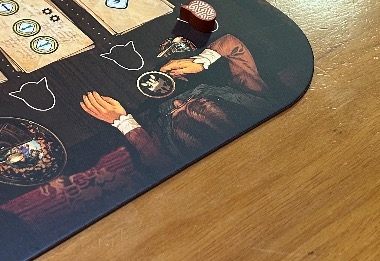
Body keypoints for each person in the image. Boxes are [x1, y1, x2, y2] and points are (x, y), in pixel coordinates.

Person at [80, 34, 271, 171]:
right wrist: (201, 61)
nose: (178, 102)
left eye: (178, 113)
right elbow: (231, 43)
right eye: (196, 102)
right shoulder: (255, 102)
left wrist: (121, 120)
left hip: (144, 114)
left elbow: (149, 152)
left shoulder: (167, 160)